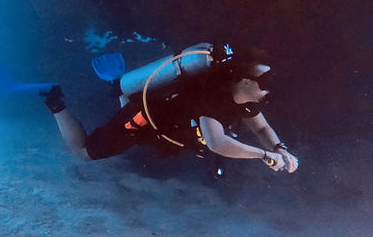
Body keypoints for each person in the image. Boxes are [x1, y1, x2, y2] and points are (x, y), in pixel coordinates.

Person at [42, 43, 299, 173]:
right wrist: (265, 156)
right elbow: (217, 143)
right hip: (147, 116)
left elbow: (261, 126)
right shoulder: (210, 95)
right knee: (86, 153)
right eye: (266, 84)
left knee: (142, 136)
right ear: (244, 81)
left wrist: (279, 149)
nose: (269, 91)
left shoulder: (249, 100)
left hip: (167, 128)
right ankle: (56, 104)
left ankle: (121, 87)